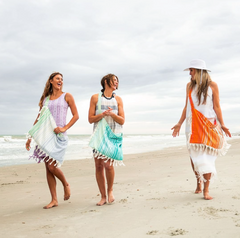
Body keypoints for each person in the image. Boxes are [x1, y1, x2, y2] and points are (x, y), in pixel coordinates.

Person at [171, 59, 231, 200]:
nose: (190, 73)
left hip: (208, 125)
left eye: (192, 70)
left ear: (199, 71)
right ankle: (198, 180)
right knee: (194, 157)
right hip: (192, 127)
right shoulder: (189, 86)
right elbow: (187, 107)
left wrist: (222, 124)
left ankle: (206, 189)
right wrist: (179, 123)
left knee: (207, 158)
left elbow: (217, 107)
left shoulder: (213, 86)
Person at [25, 72, 79, 209]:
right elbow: (39, 119)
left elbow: (76, 115)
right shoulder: (46, 99)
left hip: (59, 136)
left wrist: (64, 127)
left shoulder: (67, 96)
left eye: (61, 79)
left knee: (52, 166)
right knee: (48, 169)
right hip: (45, 136)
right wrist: (30, 137)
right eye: (57, 79)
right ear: (51, 81)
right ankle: (54, 199)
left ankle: (65, 183)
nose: (60, 81)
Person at [88, 74, 125, 206]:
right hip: (99, 135)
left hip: (113, 135)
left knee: (108, 166)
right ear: (106, 81)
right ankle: (103, 196)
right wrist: (102, 114)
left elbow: (122, 120)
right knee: (98, 166)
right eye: (113, 80)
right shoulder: (95, 98)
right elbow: (90, 119)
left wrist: (112, 114)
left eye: (117, 80)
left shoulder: (118, 99)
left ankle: (110, 191)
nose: (116, 82)